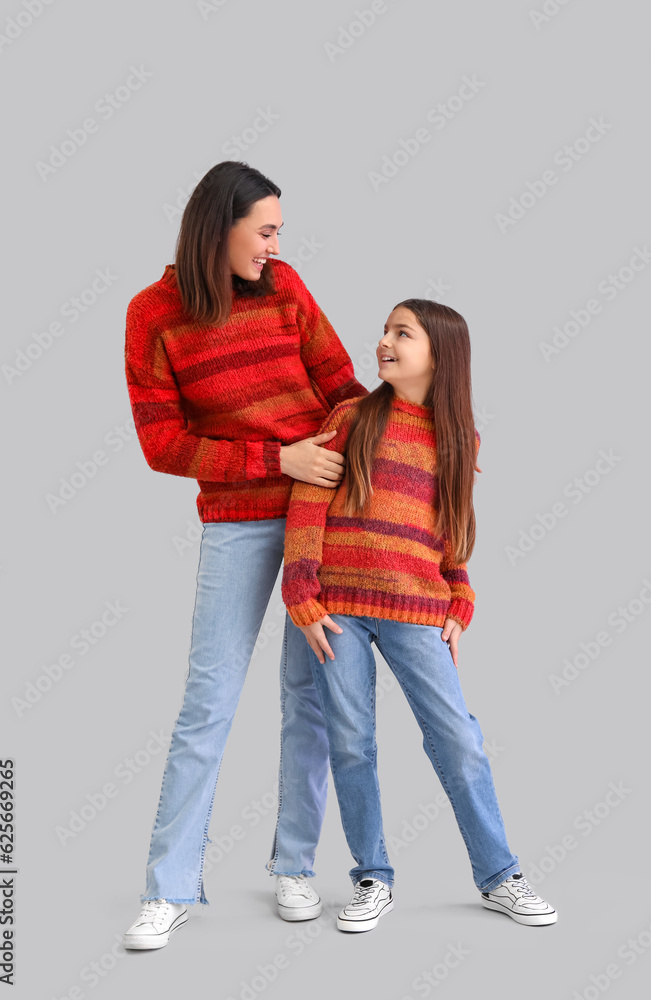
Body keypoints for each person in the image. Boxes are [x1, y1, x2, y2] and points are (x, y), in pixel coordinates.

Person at [122, 161, 369, 950]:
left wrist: (379, 446)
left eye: (276, 233)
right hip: (238, 518)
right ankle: (168, 888)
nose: (272, 245)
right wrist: (276, 460)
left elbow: (344, 387)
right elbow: (163, 445)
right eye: (262, 230)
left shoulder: (285, 287)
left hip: (321, 518)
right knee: (207, 705)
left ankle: (294, 866)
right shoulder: (152, 315)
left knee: (309, 698)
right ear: (216, 227)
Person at [281, 299, 557, 932]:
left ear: (441, 352)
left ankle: (499, 875)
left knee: (458, 739)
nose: (384, 341)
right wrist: (301, 593)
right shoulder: (352, 416)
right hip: (337, 612)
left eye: (401, 333)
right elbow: (306, 501)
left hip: (417, 610)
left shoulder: (460, 438)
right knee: (351, 743)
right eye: (384, 330)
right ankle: (372, 878)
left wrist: (460, 594)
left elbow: (453, 525)